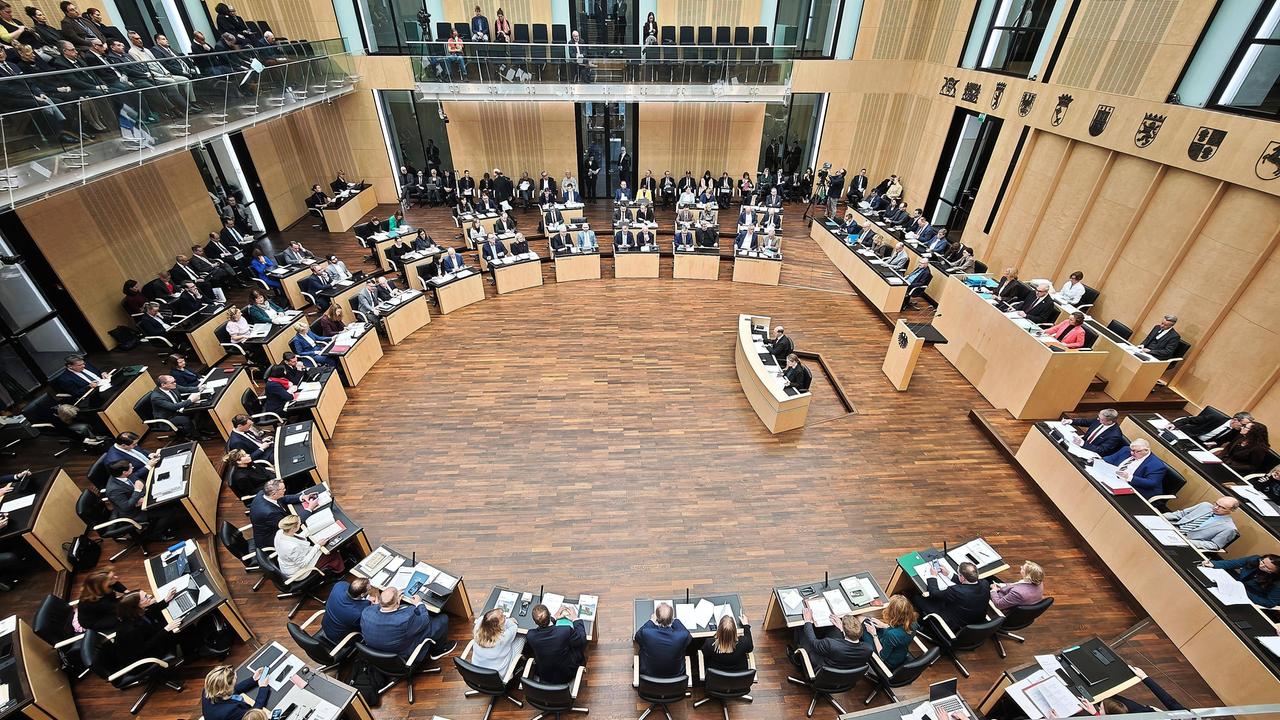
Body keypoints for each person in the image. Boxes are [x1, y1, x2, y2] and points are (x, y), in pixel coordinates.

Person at [361, 586, 456, 661]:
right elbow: (425, 620)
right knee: (442, 619)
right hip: (401, 654)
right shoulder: (406, 619)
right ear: (398, 601)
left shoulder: (366, 612)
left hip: (377, 653)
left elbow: (376, 608)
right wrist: (419, 604)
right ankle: (438, 651)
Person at [104, 458, 179, 539]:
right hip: (133, 513)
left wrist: (141, 495)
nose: (132, 468)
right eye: (131, 467)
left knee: (169, 501)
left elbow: (140, 482)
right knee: (168, 512)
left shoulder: (124, 475)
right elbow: (126, 507)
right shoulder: (113, 490)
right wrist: (137, 491)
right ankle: (155, 535)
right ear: (124, 472)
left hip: (141, 501)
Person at [793, 602, 871, 672]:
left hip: (823, 670)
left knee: (801, 629)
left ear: (845, 631)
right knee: (834, 629)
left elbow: (813, 642)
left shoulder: (830, 644)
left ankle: (796, 658)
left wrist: (807, 621)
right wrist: (842, 629)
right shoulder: (868, 649)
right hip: (846, 672)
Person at [911, 561, 990, 630]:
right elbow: (969, 584)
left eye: (958, 574)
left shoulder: (956, 591)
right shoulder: (985, 583)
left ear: (962, 578)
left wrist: (933, 576)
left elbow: (934, 594)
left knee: (918, 598)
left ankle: (922, 624)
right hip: (975, 620)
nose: (958, 575)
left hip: (955, 624)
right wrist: (948, 574)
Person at [113, 590, 182, 666]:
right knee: (183, 630)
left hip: (149, 638)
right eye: (145, 597)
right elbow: (144, 648)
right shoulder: (131, 629)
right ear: (137, 605)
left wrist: (166, 600)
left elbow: (149, 612)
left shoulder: (133, 613)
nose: (149, 596)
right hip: (145, 657)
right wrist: (166, 629)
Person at [525, 602, 587, 683]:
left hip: (545, 674)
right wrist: (575, 619)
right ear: (549, 614)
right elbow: (582, 639)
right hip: (566, 674)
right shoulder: (565, 631)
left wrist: (554, 618)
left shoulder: (531, 635)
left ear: (535, 622)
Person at [248, 478, 316, 550]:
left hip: (277, 523)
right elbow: (291, 524)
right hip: (273, 537)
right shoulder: (270, 513)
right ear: (274, 493)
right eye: (283, 489)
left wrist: (302, 497)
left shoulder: (263, 493)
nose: (285, 490)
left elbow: (283, 498)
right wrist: (309, 509)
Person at [634, 601, 691, 677]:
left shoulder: (647, 633)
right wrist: (676, 621)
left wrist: (651, 621)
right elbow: (689, 638)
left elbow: (637, 637)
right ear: (672, 618)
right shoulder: (682, 635)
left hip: (649, 674)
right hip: (675, 675)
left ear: (656, 618)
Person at [275, 515, 343, 577]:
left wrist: (309, 530)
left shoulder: (280, 532)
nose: (300, 524)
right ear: (293, 528)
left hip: (292, 560)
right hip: (298, 570)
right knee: (332, 553)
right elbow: (303, 564)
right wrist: (318, 545)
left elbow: (296, 538)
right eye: (299, 524)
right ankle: (340, 571)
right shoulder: (292, 548)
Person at [1202, 554, 1280, 607]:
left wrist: (1244, 593)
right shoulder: (1255, 559)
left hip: (1248, 597)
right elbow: (1233, 563)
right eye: (1262, 561)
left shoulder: (1277, 583)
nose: (1262, 565)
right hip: (1234, 586)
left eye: (1267, 567)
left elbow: (1270, 602)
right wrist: (1214, 564)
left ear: (1275, 572)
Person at [1164, 497, 1240, 551]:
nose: (1216, 507)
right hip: (1171, 527)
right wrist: (1158, 516)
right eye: (1216, 503)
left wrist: (1186, 542)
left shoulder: (1229, 528)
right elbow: (1180, 514)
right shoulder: (1205, 505)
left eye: (1222, 507)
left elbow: (1214, 545)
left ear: (1231, 511)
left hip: (1186, 540)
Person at [1099, 439, 1168, 499]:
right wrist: (1098, 459)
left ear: (1146, 450)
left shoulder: (1156, 465)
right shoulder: (1126, 449)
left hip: (1135, 490)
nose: (1132, 453)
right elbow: (1110, 459)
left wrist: (1129, 477)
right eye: (1131, 450)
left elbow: (1151, 483)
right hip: (1113, 480)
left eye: (1136, 451)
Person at [864, 595, 917, 670]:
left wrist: (874, 635)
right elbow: (901, 632)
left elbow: (882, 656)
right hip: (900, 653)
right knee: (867, 621)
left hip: (888, 661)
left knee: (862, 623)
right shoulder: (913, 622)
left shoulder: (891, 634)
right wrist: (884, 625)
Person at [148, 373, 208, 439]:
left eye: (174, 381)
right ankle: (196, 436)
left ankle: (201, 430)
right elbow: (173, 407)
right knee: (185, 420)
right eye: (172, 382)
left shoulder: (172, 386)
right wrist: (190, 400)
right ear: (163, 385)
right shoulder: (156, 397)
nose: (175, 383)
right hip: (168, 417)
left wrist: (199, 388)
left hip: (178, 409)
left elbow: (186, 389)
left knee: (199, 409)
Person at [201, 664, 270, 720]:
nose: (236, 681)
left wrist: (253, 679)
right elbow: (253, 715)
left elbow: (231, 690)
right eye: (235, 680)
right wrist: (263, 689)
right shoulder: (231, 711)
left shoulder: (208, 689)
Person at [471, 607, 524, 674]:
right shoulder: (503, 638)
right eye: (503, 617)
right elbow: (514, 626)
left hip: (476, 670)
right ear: (496, 627)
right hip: (498, 675)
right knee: (521, 637)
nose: (504, 616)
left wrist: (501, 620)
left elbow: (482, 618)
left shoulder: (477, 627)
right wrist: (508, 620)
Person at [1174, 410, 1251, 447]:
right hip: (1189, 435)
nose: (1242, 427)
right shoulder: (1217, 418)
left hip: (1201, 445)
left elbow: (1222, 441)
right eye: (1242, 424)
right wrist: (1174, 424)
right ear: (1235, 419)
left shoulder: (1236, 432)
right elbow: (1190, 420)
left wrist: (1215, 443)